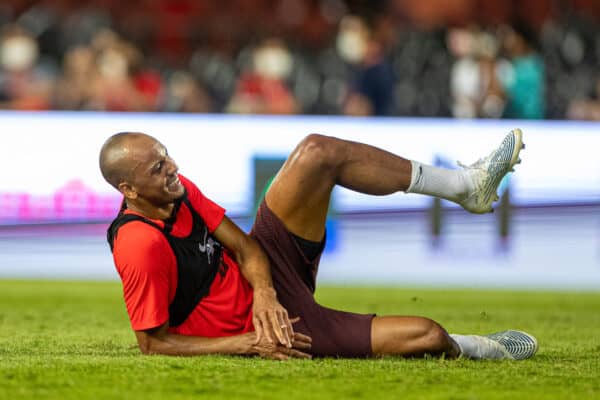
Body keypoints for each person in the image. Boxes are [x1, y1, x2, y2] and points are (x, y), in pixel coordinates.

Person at [99, 129, 536, 361]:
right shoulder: (140, 245)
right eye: (158, 167)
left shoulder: (178, 189)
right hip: (277, 329)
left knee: (316, 151)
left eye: (168, 155)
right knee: (429, 334)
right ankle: (482, 347)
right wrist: (249, 342)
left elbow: (248, 250)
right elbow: (153, 344)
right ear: (130, 189)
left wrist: (265, 294)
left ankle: (465, 185)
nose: (173, 168)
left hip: (268, 276)